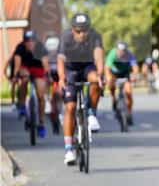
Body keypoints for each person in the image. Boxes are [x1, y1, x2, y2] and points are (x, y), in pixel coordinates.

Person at [57, 13, 105, 165]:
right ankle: (68, 149)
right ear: (72, 29)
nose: (82, 34)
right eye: (78, 31)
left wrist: (101, 74)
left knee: (95, 80)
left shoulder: (95, 36)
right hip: (70, 70)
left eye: (85, 30)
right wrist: (61, 77)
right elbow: (60, 59)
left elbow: (98, 55)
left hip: (87, 67)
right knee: (70, 107)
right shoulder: (65, 37)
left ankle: (91, 114)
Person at [10, 30, 49, 138]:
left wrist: (48, 75)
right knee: (24, 79)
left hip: (38, 69)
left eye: (32, 41)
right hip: (25, 68)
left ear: (36, 42)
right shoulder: (20, 48)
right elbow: (17, 64)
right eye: (27, 41)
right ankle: (22, 104)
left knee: (41, 96)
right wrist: (15, 76)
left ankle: (41, 123)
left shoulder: (41, 48)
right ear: (24, 42)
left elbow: (46, 64)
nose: (30, 43)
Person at [106, 41, 140, 125]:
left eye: (123, 51)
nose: (122, 52)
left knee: (129, 92)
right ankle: (114, 99)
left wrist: (134, 75)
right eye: (120, 50)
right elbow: (107, 67)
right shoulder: (112, 54)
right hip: (114, 73)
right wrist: (108, 76)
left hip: (125, 73)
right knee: (111, 85)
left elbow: (135, 66)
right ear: (117, 50)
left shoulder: (129, 54)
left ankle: (129, 113)